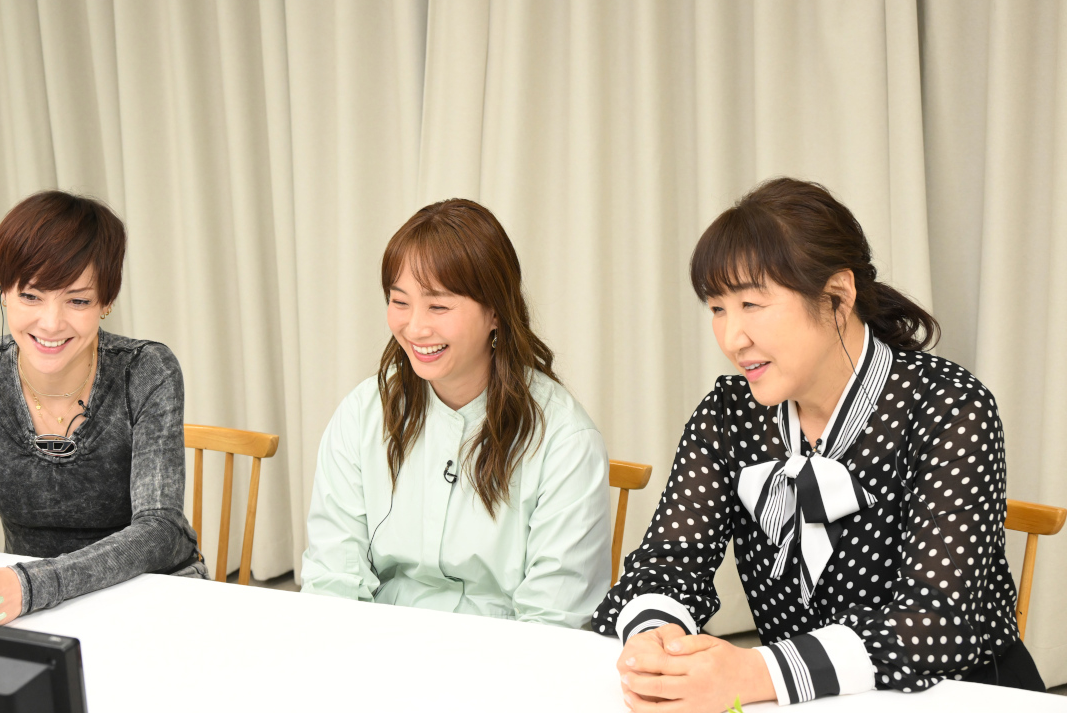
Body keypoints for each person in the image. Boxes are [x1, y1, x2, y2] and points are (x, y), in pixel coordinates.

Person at [594, 178, 1041, 711]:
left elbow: (936, 622)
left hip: (964, 696)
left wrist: (756, 671)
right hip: (805, 700)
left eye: (751, 303)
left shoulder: (950, 406)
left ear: (837, 296)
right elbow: (667, 563)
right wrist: (656, 641)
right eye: (717, 309)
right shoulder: (729, 413)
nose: (733, 338)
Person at [0, 190, 205, 627]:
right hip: (32, 609)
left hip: (150, 590)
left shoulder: (147, 369)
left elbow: (159, 530)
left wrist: (30, 585)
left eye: (78, 300)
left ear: (107, 301)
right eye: (31, 296)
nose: (51, 323)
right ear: (4, 292)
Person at [301, 199, 610, 626]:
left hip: (503, 656)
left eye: (439, 307)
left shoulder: (564, 440)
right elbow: (332, 582)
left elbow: (552, 621)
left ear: (495, 311)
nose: (415, 328)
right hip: (376, 645)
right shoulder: (362, 414)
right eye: (400, 302)